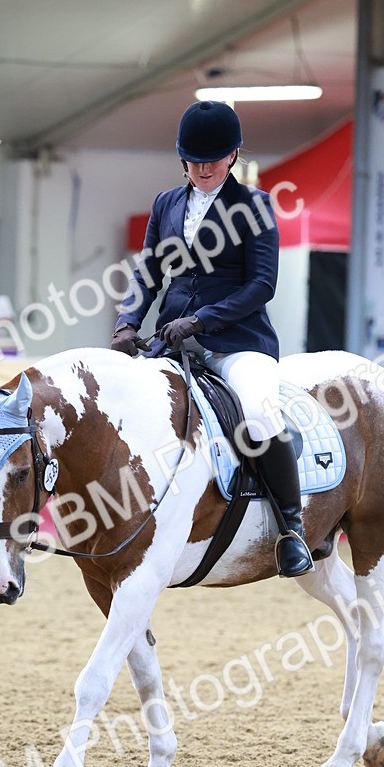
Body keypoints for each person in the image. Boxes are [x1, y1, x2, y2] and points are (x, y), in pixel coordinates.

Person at [112, 100, 313, 577]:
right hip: (172, 341)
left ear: (233, 155)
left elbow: (262, 285)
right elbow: (149, 272)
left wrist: (201, 320)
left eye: (213, 159)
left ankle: (292, 529)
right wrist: (127, 320)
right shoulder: (166, 204)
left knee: (261, 414)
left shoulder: (255, 206)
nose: (203, 168)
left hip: (239, 342)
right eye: (194, 160)